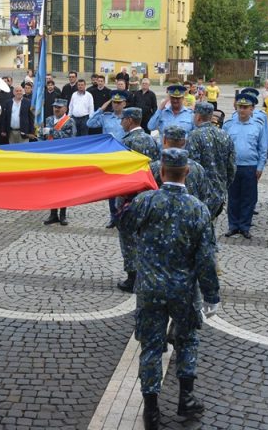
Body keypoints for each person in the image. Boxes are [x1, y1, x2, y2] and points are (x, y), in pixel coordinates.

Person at [119, 148, 221, 429]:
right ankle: (185, 398)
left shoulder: (145, 201)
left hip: (150, 288)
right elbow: (205, 259)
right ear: (186, 172)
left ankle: (151, 410)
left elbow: (123, 224)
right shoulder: (198, 209)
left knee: (151, 346)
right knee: (187, 340)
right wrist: (212, 295)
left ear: (161, 172)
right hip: (183, 289)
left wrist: (127, 194)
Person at [116, 107, 159, 293]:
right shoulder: (151, 140)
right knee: (145, 236)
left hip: (130, 197)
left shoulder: (127, 142)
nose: (121, 122)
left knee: (128, 238)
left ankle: (132, 277)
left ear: (130, 120)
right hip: (148, 195)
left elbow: (121, 171)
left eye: (123, 119)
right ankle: (146, 274)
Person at [223, 93, 267, 239]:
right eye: (240, 107)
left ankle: (244, 226)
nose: (242, 110)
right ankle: (233, 226)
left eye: (245, 107)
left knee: (248, 198)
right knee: (233, 197)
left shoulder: (258, 126)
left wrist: (260, 167)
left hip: (250, 167)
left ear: (252, 109)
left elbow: (263, 149)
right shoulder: (228, 125)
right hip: (233, 167)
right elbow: (224, 148)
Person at [186, 102, 236, 222]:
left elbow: (192, 168)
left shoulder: (194, 136)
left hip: (199, 196)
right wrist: (223, 187)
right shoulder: (225, 135)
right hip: (218, 194)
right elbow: (232, 167)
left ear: (198, 116)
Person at [88, 90, 128, 228]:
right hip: (110, 156)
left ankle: (124, 215)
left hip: (124, 156)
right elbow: (90, 123)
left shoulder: (128, 118)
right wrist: (101, 108)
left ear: (124, 103)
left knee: (124, 188)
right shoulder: (105, 117)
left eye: (119, 103)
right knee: (111, 189)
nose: (116, 105)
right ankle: (113, 217)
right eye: (114, 103)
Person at [42, 99, 77, 225]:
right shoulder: (49, 119)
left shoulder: (70, 121)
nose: (56, 109)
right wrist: (41, 135)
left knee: (63, 187)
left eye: (59, 107)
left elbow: (70, 138)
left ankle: (62, 215)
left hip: (63, 157)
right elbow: (44, 136)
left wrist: (51, 131)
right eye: (55, 107)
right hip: (50, 157)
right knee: (51, 186)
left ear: (65, 109)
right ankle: (53, 214)